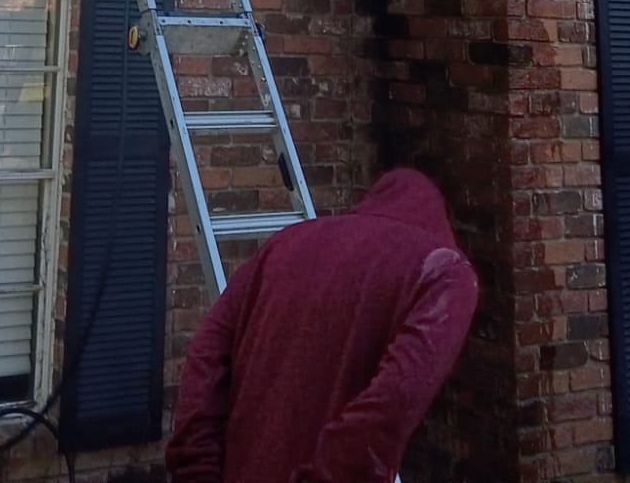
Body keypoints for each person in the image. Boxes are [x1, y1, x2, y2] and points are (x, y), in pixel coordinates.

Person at [165, 168, 478, 483]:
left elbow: (204, 358)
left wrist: (197, 472)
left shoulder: (285, 243)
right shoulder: (444, 272)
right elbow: (391, 405)